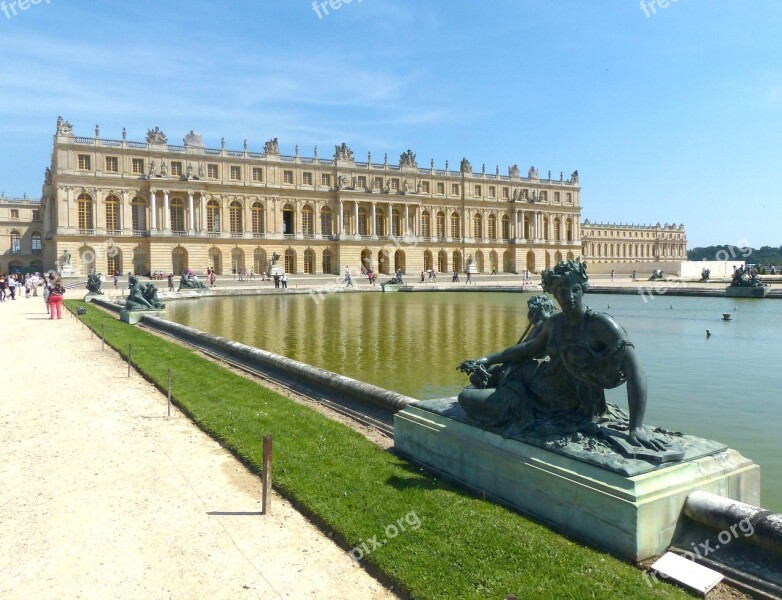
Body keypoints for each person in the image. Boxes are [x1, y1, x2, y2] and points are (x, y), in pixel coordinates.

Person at [457, 260, 664, 451]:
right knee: (484, 376)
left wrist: (635, 427)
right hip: (537, 380)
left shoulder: (601, 325)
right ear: (555, 295)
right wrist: (488, 359)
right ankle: (494, 377)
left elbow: (636, 372)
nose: (570, 297)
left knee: (466, 397)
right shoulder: (554, 323)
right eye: (563, 292)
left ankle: (503, 391)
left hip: (557, 402)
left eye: (575, 290)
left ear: (583, 289)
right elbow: (528, 349)